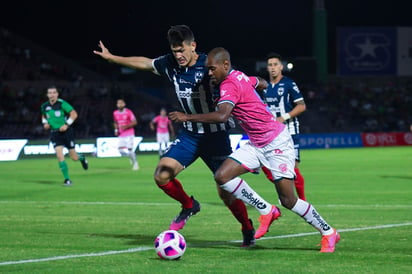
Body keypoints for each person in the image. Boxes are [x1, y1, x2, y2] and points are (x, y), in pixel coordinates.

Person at [94, 25, 266, 247]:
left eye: (181, 50)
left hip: (216, 137)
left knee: (226, 191)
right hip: (190, 136)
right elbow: (145, 63)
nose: (178, 55)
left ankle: (247, 227)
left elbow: (238, 82)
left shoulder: (209, 65)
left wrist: (259, 93)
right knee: (161, 175)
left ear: (193, 46)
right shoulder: (170, 64)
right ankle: (189, 205)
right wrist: (112, 58)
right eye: (174, 51)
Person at [169, 47, 340, 252]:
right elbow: (260, 82)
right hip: (257, 143)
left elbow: (222, 115)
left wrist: (186, 117)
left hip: (276, 142)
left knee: (289, 200)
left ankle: (329, 232)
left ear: (225, 65)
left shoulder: (229, 84)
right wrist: (258, 89)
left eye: (212, 69)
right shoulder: (238, 76)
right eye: (208, 70)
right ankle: (267, 210)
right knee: (222, 176)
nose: (209, 73)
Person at [261, 53, 307, 201]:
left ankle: (302, 203)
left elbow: (301, 106)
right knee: (265, 166)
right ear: (267, 68)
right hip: (271, 134)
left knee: (293, 168)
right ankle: (287, 193)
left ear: (281, 66)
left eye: (275, 64)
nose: (273, 68)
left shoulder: (288, 83)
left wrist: (283, 117)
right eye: (270, 65)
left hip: (290, 131)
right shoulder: (264, 87)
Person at [40, 86, 88, 186]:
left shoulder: (62, 103)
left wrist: (66, 125)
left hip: (67, 133)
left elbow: (74, 114)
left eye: (54, 92)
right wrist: (45, 123)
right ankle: (67, 179)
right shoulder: (44, 106)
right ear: (47, 95)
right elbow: (44, 116)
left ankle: (82, 158)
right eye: (50, 93)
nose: (52, 94)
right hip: (55, 133)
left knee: (74, 157)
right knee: (59, 155)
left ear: (57, 94)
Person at [113, 98, 139, 171]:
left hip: (129, 133)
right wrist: (116, 129)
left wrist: (126, 126)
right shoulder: (115, 113)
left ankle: (135, 164)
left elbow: (135, 122)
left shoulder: (128, 112)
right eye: (118, 103)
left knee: (130, 149)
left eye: (121, 103)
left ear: (124, 104)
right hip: (121, 134)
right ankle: (130, 157)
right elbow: (115, 122)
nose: (119, 104)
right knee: (120, 150)